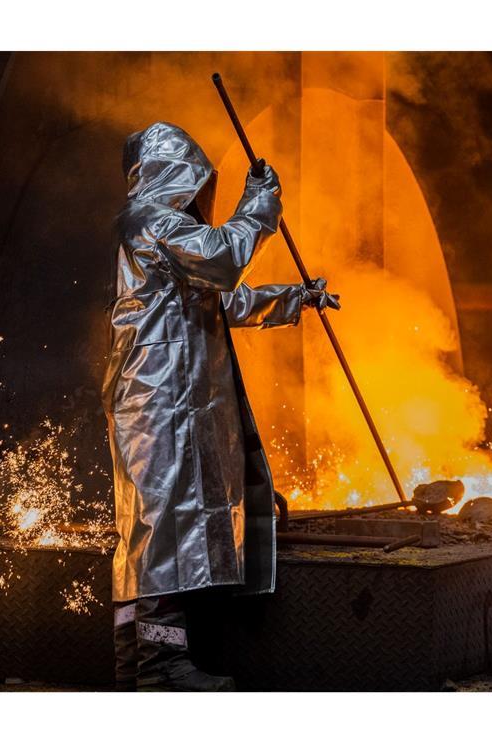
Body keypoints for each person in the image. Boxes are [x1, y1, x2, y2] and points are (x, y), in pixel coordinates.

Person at [102, 122, 339, 691]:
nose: (202, 196)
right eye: (197, 183)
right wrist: (259, 205)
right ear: (175, 176)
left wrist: (294, 298)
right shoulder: (150, 221)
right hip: (158, 402)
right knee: (159, 533)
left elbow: (225, 299)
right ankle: (160, 669)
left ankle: (137, 665)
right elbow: (226, 256)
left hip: (168, 401)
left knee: (156, 531)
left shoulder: (164, 234)